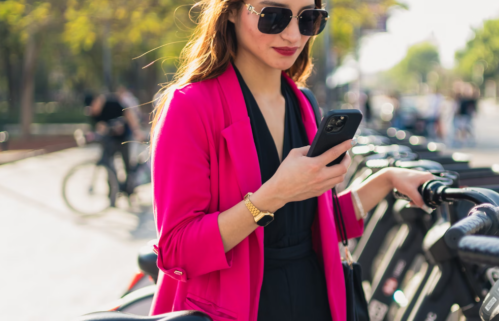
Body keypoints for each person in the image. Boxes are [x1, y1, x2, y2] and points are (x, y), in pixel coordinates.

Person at [148, 1, 433, 321]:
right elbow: (177, 249)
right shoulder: (190, 107)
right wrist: (274, 194)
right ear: (229, 11)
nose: (293, 35)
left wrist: (387, 181)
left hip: (314, 298)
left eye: (308, 19)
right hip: (237, 308)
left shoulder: (304, 104)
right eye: (274, 17)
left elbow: (307, 223)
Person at [84, 93, 144, 205]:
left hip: (124, 138)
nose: (93, 110)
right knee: (108, 166)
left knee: (127, 165)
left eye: (93, 106)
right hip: (109, 141)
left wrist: (136, 131)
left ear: (97, 101)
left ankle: (130, 192)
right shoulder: (93, 112)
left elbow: (128, 114)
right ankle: (113, 194)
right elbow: (98, 128)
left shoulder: (112, 103)